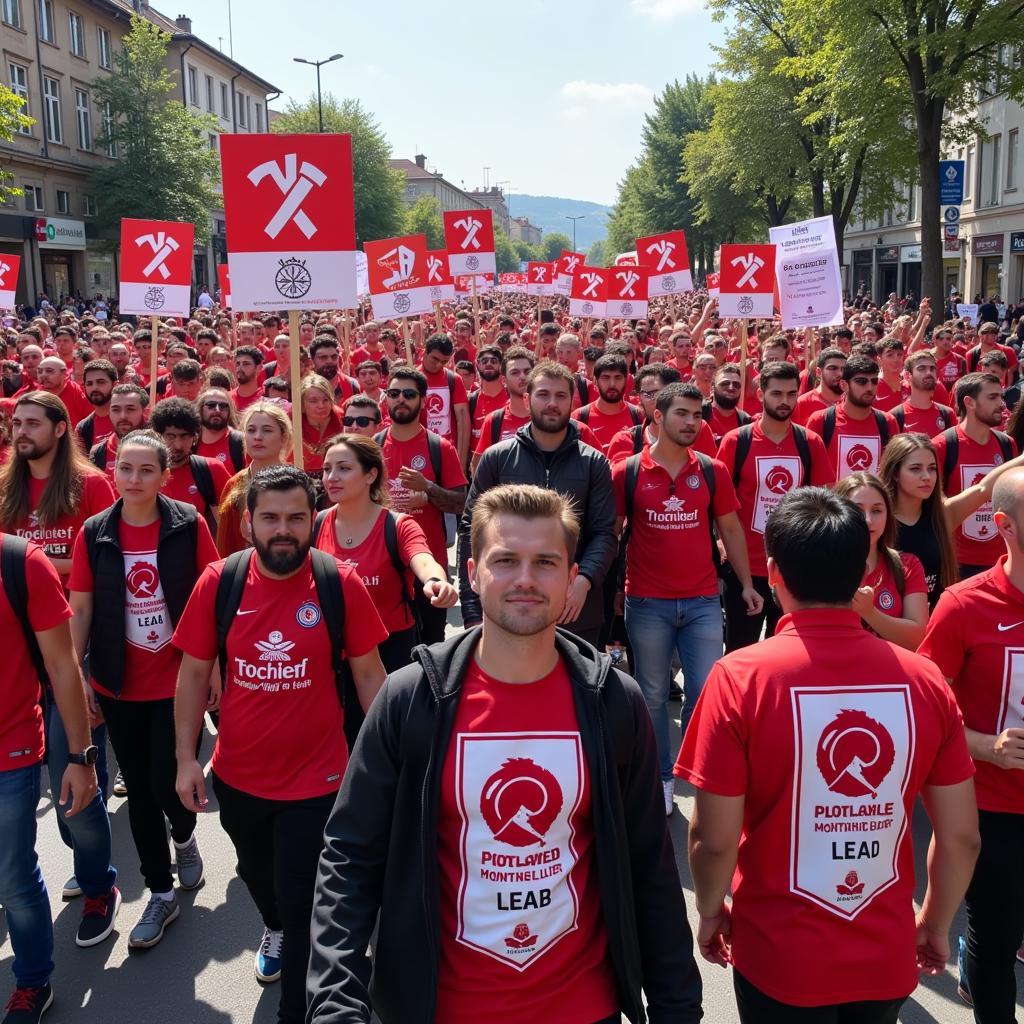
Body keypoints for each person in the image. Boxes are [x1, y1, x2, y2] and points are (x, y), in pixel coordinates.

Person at [307, 483, 704, 1024]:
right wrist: (334, 1002)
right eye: (505, 560)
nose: (524, 579)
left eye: (545, 562)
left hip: (585, 1008)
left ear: (571, 576)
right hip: (442, 1008)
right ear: (472, 573)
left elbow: (648, 867)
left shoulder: (612, 700)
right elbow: (350, 856)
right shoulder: (412, 697)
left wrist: (677, 1007)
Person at [675, 485, 979, 1023]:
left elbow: (711, 837)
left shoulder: (741, 678)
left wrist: (708, 908)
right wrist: (935, 923)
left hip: (776, 956)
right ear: (864, 573)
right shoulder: (925, 680)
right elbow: (960, 837)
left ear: (773, 574)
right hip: (883, 954)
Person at [174, 465, 387, 1024]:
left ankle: (297, 1009)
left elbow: (369, 677)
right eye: (270, 517)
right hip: (238, 780)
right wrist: (185, 760)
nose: (283, 529)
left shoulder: (339, 582)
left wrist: (393, 759)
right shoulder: (219, 582)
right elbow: (194, 675)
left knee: (301, 907)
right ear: (247, 524)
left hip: (319, 783)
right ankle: (276, 923)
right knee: (258, 878)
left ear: (313, 520)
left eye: (297, 517)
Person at [68, 430, 218, 949]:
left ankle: (185, 835)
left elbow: (210, 594)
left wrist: (213, 663)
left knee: (168, 781)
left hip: (180, 680)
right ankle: (160, 891)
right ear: (113, 472)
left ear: (163, 475)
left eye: (145, 470)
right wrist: (77, 672)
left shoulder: (188, 524)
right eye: (125, 469)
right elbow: (81, 607)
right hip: (117, 681)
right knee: (137, 789)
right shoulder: (94, 532)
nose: (134, 480)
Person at [614, 382, 761, 814]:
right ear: (657, 417)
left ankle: (699, 770)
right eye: (682, 414)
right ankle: (660, 777)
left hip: (701, 602)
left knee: (704, 692)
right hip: (646, 603)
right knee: (654, 695)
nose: (692, 422)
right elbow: (612, 533)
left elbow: (730, 530)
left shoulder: (712, 471)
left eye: (697, 416)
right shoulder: (628, 472)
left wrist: (746, 583)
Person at [918, 466, 1024, 1023]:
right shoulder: (964, 605)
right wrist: (985, 745)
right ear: (1003, 525)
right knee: (996, 936)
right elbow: (926, 706)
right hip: (995, 807)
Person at [0, 535, 102, 1024]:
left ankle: (32, 981)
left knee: (14, 879)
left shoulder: (19, 563)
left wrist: (81, 757)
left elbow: (63, 665)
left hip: (10, 749)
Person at [459, 361, 616, 647]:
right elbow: (471, 528)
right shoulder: (496, 458)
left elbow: (604, 533)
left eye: (561, 396)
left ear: (573, 400)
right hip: (507, 605)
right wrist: (471, 609)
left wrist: (584, 581)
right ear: (525, 398)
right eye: (543, 395)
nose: (552, 404)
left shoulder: (594, 463)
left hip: (575, 610)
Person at [715, 361, 833, 650]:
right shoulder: (736, 441)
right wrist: (720, 542)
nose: (785, 402)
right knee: (739, 649)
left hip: (793, 567)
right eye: (777, 394)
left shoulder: (811, 442)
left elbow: (822, 500)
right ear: (761, 395)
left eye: (791, 394)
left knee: (786, 651)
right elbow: (718, 502)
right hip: (745, 568)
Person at [317, 436, 457, 671]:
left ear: (371, 475)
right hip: (334, 650)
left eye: (344, 468)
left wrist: (435, 581)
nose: (332, 477)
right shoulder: (317, 523)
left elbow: (423, 559)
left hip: (391, 651)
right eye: (327, 469)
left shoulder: (399, 525)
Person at [377, 368, 467, 644]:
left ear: (424, 401)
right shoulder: (373, 447)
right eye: (394, 394)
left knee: (430, 643)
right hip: (385, 569)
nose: (400, 399)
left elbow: (462, 503)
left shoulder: (440, 448)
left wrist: (428, 490)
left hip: (429, 569)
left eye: (408, 394)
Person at [932, 373, 1018, 577]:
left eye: (1001, 397)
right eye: (992, 398)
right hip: (957, 563)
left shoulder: (1007, 444)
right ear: (969, 402)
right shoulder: (943, 445)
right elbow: (938, 507)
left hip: (1001, 561)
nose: (1002, 404)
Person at [833, 472, 929, 650]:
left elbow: (918, 638)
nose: (868, 520)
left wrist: (870, 612)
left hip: (891, 676)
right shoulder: (820, 564)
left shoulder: (907, 566)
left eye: (877, 510)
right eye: (857, 511)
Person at [215, 402, 293, 558]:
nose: (257, 437)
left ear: (283, 438)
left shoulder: (297, 483)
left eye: (267, 430)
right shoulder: (234, 484)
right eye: (251, 430)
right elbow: (224, 545)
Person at [806, 355, 899, 481]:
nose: (869, 388)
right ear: (844, 385)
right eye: (861, 381)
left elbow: (894, 471)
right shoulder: (821, 420)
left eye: (874, 381)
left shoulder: (888, 422)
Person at [150, 398, 231, 526]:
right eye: (170, 436)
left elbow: (234, 517)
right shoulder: (144, 473)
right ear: (158, 436)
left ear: (194, 437)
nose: (178, 445)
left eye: (184, 436)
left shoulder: (211, 469)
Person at [470, 346, 535, 473]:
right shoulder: (493, 421)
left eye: (527, 372)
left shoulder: (548, 418)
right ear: (504, 380)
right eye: (515, 372)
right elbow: (477, 467)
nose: (522, 377)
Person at [571, 353, 643, 455]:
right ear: (595, 381)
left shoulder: (638, 416)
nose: (612, 384)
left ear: (626, 380)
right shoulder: (579, 417)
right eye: (606, 377)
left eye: (618, 378)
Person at [420, 334, 471, 467]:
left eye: (444, 362)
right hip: (421, 452)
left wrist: (460, 462)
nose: (438, 365)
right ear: (425, 352)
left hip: (447, 452)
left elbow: (463, 422)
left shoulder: (453, 380)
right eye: (434, 359)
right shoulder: (412, 379)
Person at [88, 383, 149, 482]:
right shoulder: (98, 453)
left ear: (145, 411)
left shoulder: (159, 450)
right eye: (116, 410)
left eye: (130, 409)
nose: (122, 416)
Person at [891, 351, 955, 435]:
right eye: (921, 368)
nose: (929, 372)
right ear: (907, 376)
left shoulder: (948, 414)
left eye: (932, 369)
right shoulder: (894, 417)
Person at [300, 375, 344, 475]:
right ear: (302, 403)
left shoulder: (343, 418)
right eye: (313, 401)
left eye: (325, 400)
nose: (321, 406)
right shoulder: (292, 420)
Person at [196, 386, 246, 473]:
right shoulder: (190, 443)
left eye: (223, 406)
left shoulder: (241, 442)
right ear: (201, 409)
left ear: (229, 411)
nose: (217, 410)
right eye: (211, 405)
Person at [793, 347, 846, 425]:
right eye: (833, 368)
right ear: (818, 372)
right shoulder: (801, 404)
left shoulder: (853, 403)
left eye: (843, 369)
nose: (840, 374)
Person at [702, 363, 751, 446]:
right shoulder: (700, 414)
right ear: (712, 388)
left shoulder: (745, 421)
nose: (731, 388)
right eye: (725, 383)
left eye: (736, 384)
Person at [74, 359, 117, 450]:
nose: (95, 387)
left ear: (115, 385)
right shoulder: (83, 428)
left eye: (101, 382)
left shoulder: (129, 419)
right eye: (89, 384)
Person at [231, 345, 265, 413]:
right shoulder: (227, 398)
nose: (240, 368)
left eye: (246, 364)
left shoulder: (267, 398)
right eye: (238, 364)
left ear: (259, 368)